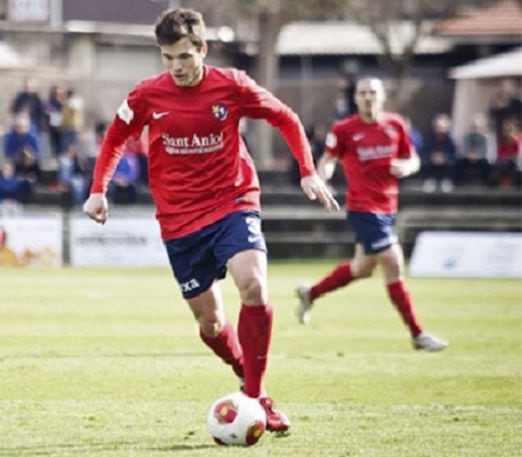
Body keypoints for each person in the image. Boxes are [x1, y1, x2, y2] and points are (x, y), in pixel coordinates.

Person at [82, 8, 339, 435]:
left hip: (232, 201)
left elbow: (285, 118)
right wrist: (98, 189)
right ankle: (246, 377)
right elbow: (115, 135)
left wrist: (307, 170)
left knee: (253, 284)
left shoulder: (232, 85)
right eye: (168, 58)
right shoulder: (147, 94)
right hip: (179, 220)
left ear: (202, 49)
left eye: (184, 56)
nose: (176, 66)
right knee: (212, 323)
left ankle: (255, 398)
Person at [294, 77, 448, 352]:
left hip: (388, 207)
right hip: (362, 208)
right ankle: (416, 333)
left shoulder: (396, 124)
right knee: (393, 261)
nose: (367, 97)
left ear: (382, 96)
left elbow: (413, 159)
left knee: (361, 268)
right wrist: (323, 178)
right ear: (356, 98)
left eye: (372, 92)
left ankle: (311, 293)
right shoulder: (344, 129)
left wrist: (406, 167)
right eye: (362, 93)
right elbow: (328, 160)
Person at [420, 113, 456, 193]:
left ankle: (446, 181)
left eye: (442, 127)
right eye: (438, 127)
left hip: (444, 160)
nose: (440, 129)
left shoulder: (450, 140)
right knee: (424, 161)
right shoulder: (428, 138)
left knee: (452, 162)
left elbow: (452, 153)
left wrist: (444, 157)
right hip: (431, 160)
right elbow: (424, 151)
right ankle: (429, 180)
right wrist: (432, 157)